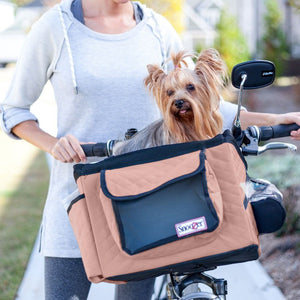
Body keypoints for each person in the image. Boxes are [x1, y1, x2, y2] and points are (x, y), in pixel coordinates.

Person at [1, 0, 300, 299]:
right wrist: (53, 144)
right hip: (79, 199)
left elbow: (205, 104)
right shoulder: (55, 27)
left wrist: (276, 119)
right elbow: (14, 110)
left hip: (149, 204)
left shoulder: (157, 28)